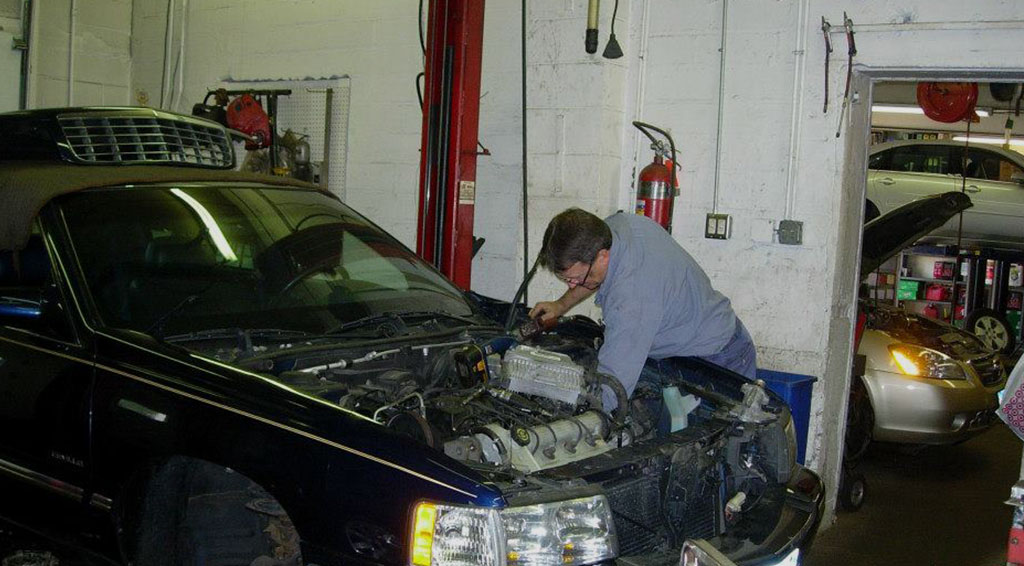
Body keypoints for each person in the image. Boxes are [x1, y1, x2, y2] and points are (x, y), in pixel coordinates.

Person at [530, 208, 756, 408]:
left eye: (576, 279)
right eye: (568, 280)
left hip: (718, 359)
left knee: (724, 439)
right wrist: (560, 305)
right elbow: (593, 278)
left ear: (602, 256)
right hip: (684, 349)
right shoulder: (616, 228)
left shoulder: (631, 298)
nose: (573, 286)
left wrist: (588, 417)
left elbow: (614, 387)